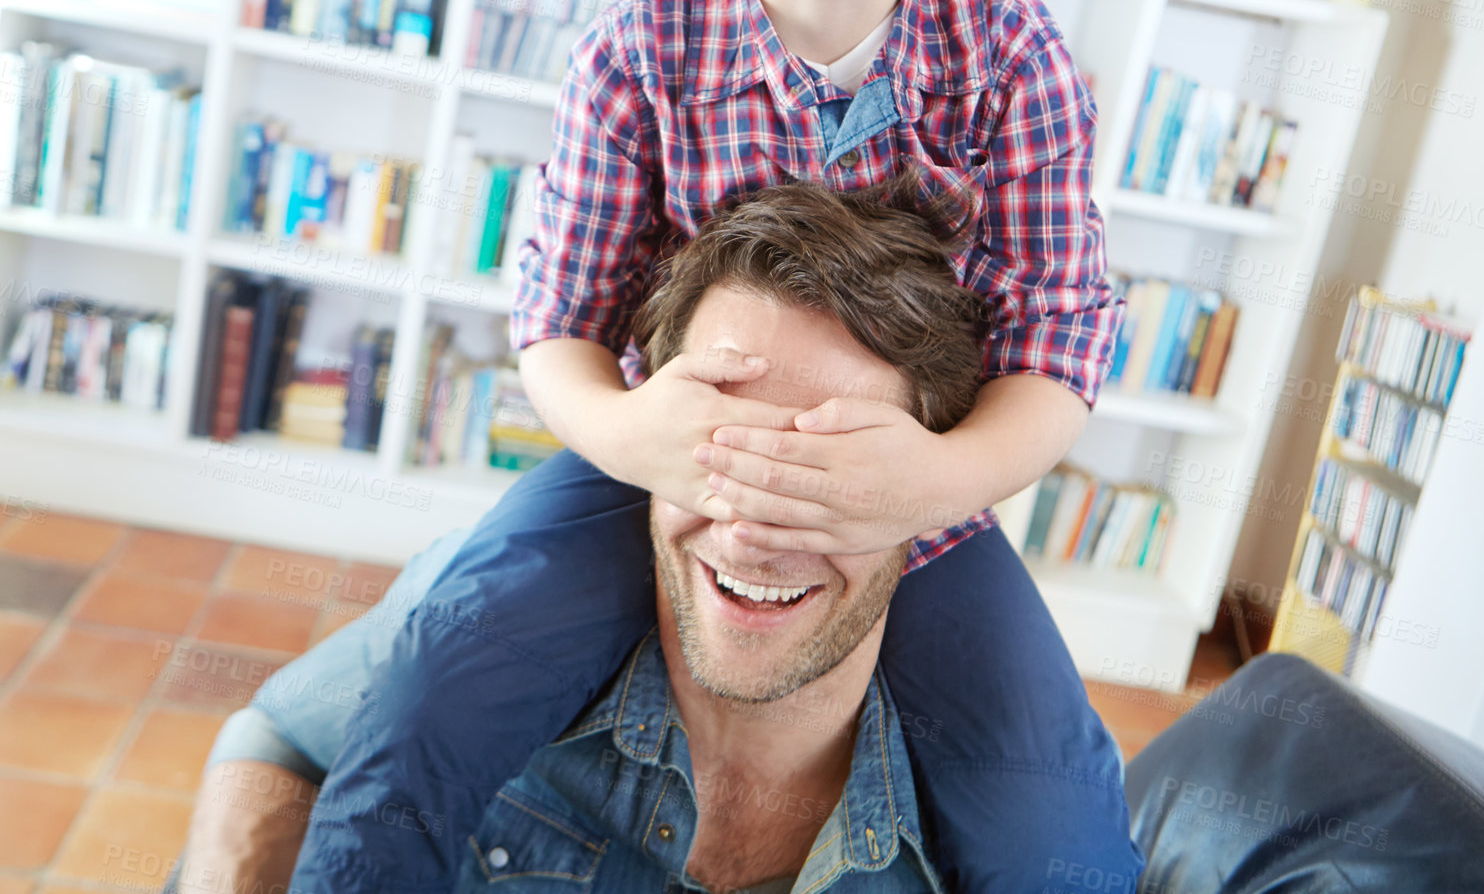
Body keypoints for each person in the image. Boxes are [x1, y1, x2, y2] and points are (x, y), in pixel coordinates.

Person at [289, 0, 1132, 887]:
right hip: (658, 462)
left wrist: (933, 481)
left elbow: (1057, 353)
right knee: (430, 682)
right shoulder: (640, 40)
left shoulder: (1017, 59)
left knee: (1052, 823)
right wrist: (636, 440)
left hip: (917, 505)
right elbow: (556, 324)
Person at [180, 182, 1136, 892]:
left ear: (935, 488)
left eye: (824, 477)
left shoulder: (994, 813)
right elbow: (277, 740)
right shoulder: (484, 640)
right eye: (719, 449)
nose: (757, 526)